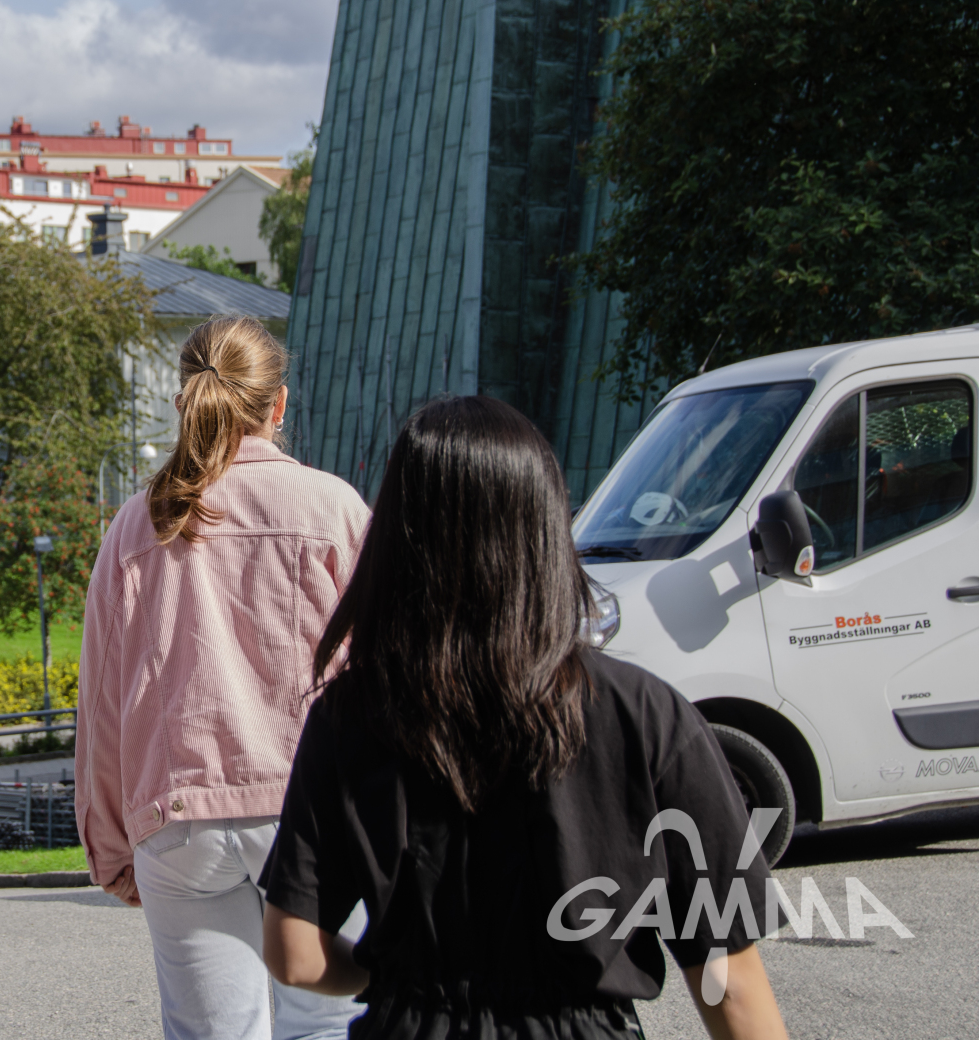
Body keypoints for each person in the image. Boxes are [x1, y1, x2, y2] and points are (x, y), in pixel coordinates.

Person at [260, 396, 790, 1040]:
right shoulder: (647, 715)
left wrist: (399, 982)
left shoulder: (350, 715)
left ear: (399, 538)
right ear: (546, 530)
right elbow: (731, 986)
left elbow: (294, 950)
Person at [76, 315, 371, 1040]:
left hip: (179, 817)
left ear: (185, 398)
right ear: (278, 405)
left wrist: (110, 845)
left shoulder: (136, 525)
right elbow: (384, 674)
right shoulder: (332, 507)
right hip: (314, 809)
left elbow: (105, 702)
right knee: (327, 1026)